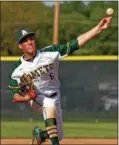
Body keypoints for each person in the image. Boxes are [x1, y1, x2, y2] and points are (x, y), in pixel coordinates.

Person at [9, 16, 112, 145]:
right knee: (49, 106)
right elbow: (15, 96)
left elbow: (76, 43)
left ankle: (40, 135)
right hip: (36, 98)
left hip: (55, 95)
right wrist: (27, 97)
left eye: (31, 39)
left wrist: (98, 28)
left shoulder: (50, 52)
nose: (29, 42)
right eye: (25, 41)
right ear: (20, 46)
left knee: (58, 134)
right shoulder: (17, 69)